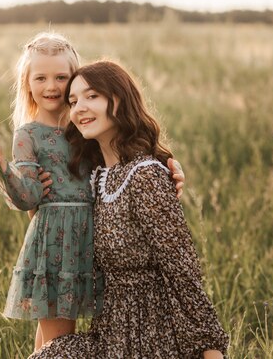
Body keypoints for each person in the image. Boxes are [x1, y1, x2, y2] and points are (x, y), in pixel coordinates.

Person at [0, 32, 186, 351]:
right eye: (41, 78)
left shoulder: (85, 127)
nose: (51, 86)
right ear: (27, 83)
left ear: (75, 80)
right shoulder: (28, 134)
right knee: (57, 342)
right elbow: (28, 198)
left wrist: (168, 165)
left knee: (58, 344)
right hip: (56, 246)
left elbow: (127, 154)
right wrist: (1, 165)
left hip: (96, 241)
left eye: (62, 77)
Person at [29, 61, 228, 358]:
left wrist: (211, 351)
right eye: (73, 101)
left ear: (119, 99)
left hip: (155, 340)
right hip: (109, 338)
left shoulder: (146, 175)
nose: (79, 107)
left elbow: (183, 271)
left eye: (92, 96)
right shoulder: (93, 178)